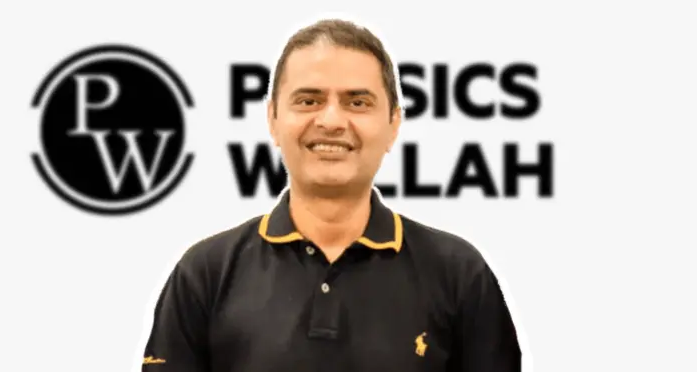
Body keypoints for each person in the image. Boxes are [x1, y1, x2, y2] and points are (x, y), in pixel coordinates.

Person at [140, 18, 522, 371]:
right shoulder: (205, 274)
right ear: (273, 119)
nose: (332, 121)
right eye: (309, 101)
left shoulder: (460, 275)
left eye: (358, 102)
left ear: (393, 124)